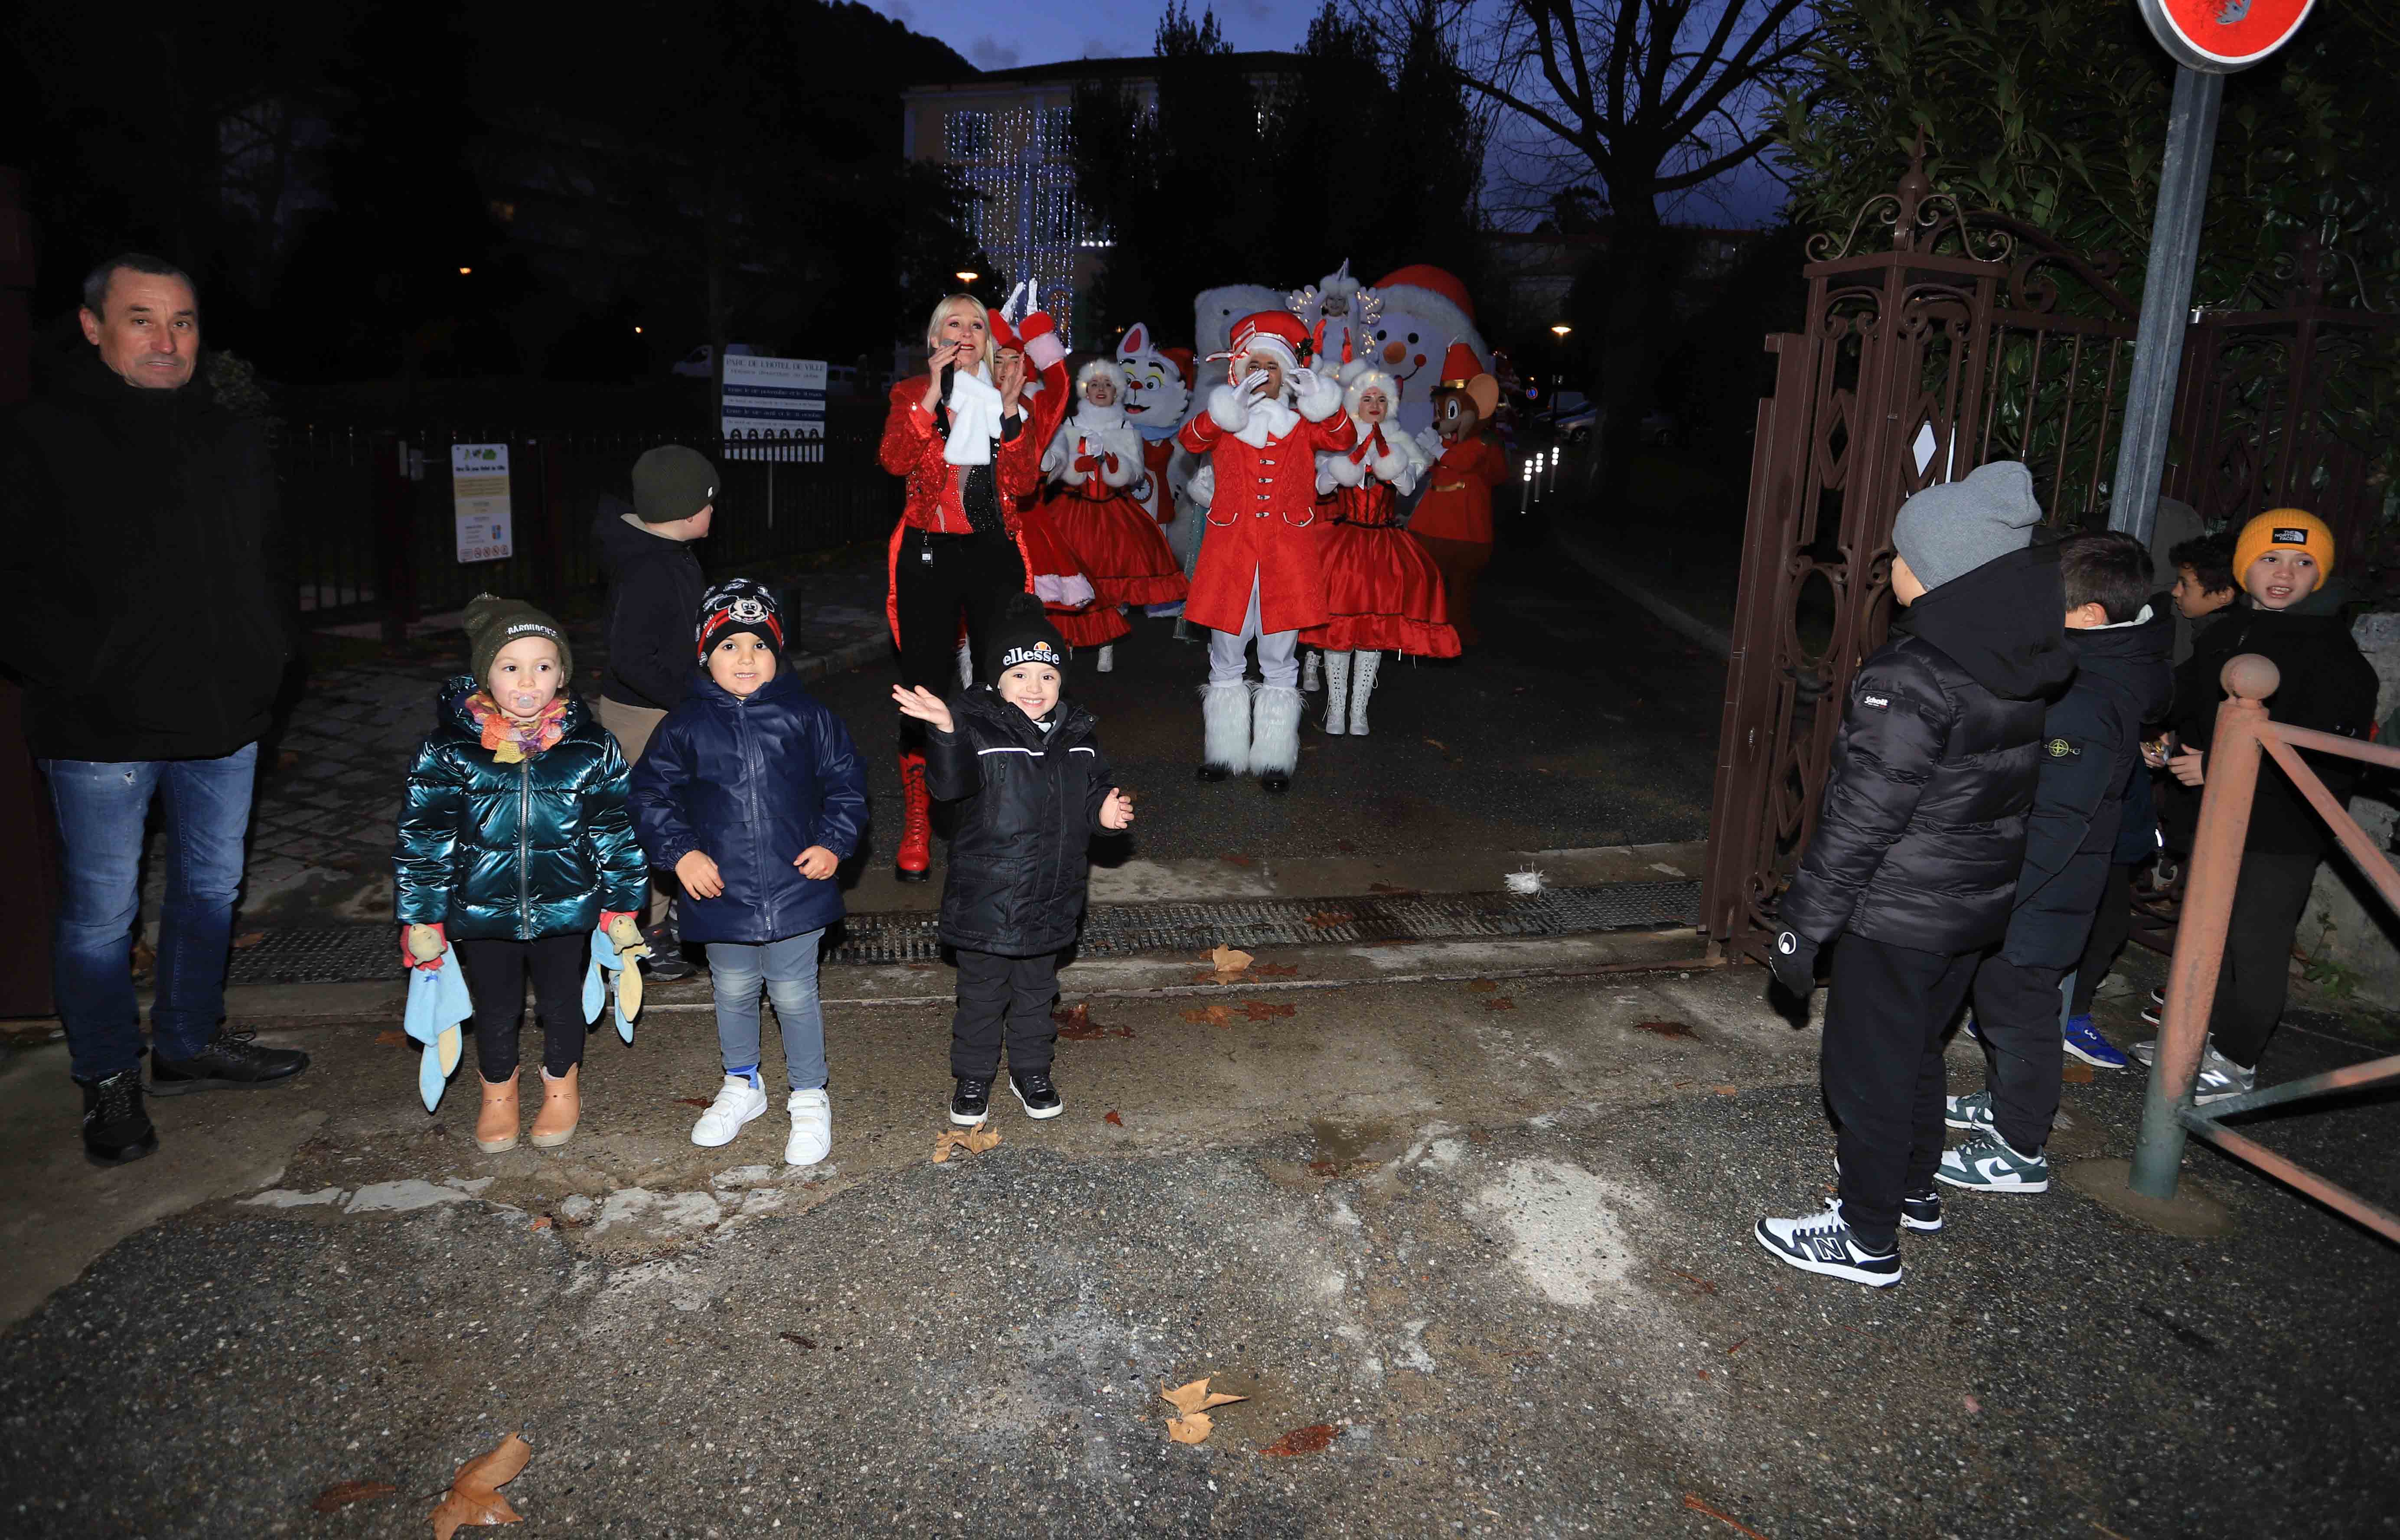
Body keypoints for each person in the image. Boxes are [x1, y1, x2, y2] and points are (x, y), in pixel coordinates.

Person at [0, 253, 308, 1166]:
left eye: (181, 322)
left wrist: (270, 655)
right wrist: (79, 668)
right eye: (142, 320)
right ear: (94, 326)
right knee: (101, 916)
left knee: (211, 888)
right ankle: (106, 1079)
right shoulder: (40, 435)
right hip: (101, 727)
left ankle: (185, 1042)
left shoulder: (232, 432)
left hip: (223, 716)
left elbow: (270, 557)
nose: (166, 340)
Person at [1757, 461, 2071, 1286]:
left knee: (1868, 1070)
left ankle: (1864, 1237)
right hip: (1968, 911)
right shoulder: (2014, 663)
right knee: (1918, 1049)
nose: (1885, 569)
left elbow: (1862, 818)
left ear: (1933, 572)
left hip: (1897, 913)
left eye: (1898, 555)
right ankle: (1910, 1190)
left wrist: (1804, 924)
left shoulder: (1911, 674)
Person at [1939, 532, 2171, 1193]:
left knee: (2021, 1010)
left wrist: (1999, 887)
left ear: (2092, 617)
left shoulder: (2088, 696)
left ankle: (2020, 1150)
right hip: (2043, 884)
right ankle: (2007, 1106)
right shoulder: (2106, 667)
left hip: (2042, 888)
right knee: (2007, 1000)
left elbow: (2058, 818)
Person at [2135, 510, 2378, 1102]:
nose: (2284, 574)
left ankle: (2238, 1060)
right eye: (2270, 559)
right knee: (2209, 935)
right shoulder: (2230, 630)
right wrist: (2163, 737)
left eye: (2303, 563)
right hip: (2217, 823)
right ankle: (2194, 1044)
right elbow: (2189, 700)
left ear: (2320, 575)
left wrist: (2219, 769)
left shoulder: (2335, 653)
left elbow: (2327, 757)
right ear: (2246, 567)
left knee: (2255, 944)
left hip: (2280, 833)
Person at [393, 597, 648, 1153]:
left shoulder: (590, 748)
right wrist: (421, 915)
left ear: (563, 674)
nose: (528, 681)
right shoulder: (450, 751)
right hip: (483, 909)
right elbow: (424, 838)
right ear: (485, 675)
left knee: (561, 1002)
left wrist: (623, 904)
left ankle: (561, 1086)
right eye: (511, 666)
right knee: (496, 1007)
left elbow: (615, 829)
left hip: (566, 905)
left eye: (543, 665)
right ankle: (498, 1093)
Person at [629, 581, 866, 1166]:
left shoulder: (808, 716)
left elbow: (847, 785)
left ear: (777, 654)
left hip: (797, 887)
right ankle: (743, 1084)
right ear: (705, 655)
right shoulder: (684, 725)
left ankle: (810, 1096)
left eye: (759, 647)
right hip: (721, 889)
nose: (745, 659)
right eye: (729, 646)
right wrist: (680, 852)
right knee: (732, 990)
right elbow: (650, 794)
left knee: (794, 993)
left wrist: (834, 843)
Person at [891, 596, 1134, 1124]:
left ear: (1061, 682)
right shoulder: (976, 730)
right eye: (1019, 673)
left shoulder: (1079, 738)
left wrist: (1104, 811)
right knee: (980, 999)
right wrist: (945, 733)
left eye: (1046, 676)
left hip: (1051, 897)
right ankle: (974, 1078)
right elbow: (948, 786)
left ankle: (1032, 1072)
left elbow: (1089, 792)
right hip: (987, 899)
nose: (1033, 687)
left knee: (1035, 997)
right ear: (996, 681)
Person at [877, 294, 1037, 883]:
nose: (966, 331)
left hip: (993, 554)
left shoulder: (1004, 397)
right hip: (927, 554)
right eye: (953, 322)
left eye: (977, 324)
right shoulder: (911, 394)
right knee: (921, 682)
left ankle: (999, 805)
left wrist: (1015, 410)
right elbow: (895, 459)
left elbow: (1023, 481)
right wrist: (931, 393)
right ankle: (919, 814)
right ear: (934, 335)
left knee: (1004, 682)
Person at [1176, 311, 1353, 792]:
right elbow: (1189, 439)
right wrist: (1221, 410)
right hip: (1230, 555)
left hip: (1287, 557)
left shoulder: (1302, 425)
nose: (1261, 375)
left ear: (1285, 375)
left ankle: (1275, 758)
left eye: (1270, 366)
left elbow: (1345, 439)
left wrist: (1321, 399)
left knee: (1280, 658)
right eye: (1253, 365)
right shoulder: (1223, 424)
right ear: (1237, 370)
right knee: (1225, 655)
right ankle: (1223, 753)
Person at [591, 444, 719, 981]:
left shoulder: (668, 552)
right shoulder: (650, 569)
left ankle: (668, 917)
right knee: (647, 824)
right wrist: (688, 695)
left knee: (679, 812)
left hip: (664, 706)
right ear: (688, 513)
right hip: (642, 717)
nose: (716, 513)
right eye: (711, 504)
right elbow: (630, 658)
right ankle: (641, 933)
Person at [1304, 361, 1457, 736]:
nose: (1374, 404)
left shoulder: (1400, 441)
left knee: (1374, 631)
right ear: (1356, 402)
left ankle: (1359, 710)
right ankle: (1336, 709)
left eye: (1381, 399)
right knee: (1338, 629)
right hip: (1344, 546)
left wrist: (1387, 455)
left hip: (1383, 546)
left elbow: (1406, 488)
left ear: (1390, 406)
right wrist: (1352, 458)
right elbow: (1322, 487)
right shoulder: (1340, 438)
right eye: (1367, 398)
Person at [1039, 358, 1189, 671]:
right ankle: (1066, 641)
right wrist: (1074, 469)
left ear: (1117, 391)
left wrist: (1114, 467)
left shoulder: (1126, 429)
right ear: (1085, 391)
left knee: (1112, 582)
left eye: (1108, 385)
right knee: (1071, 578)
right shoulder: (1068, 426)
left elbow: (1134, 473)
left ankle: (1106, 644)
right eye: (1095, 384)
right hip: (1073, 511)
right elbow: (1055, 467)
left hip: (1113, 514)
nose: (1101, 390)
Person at [1405, 345, 1506, 648]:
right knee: (1430, 584)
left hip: (1466, 532)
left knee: (1459, 588)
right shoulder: (1448, 446)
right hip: (1432, 530)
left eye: (1450, 412)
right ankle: (1426, 632)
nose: (1441, 421)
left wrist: (1438, 451)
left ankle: (1456, 633)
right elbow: (1433, 474)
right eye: (1440, 413)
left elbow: (1468, 463)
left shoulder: (1483, 447)